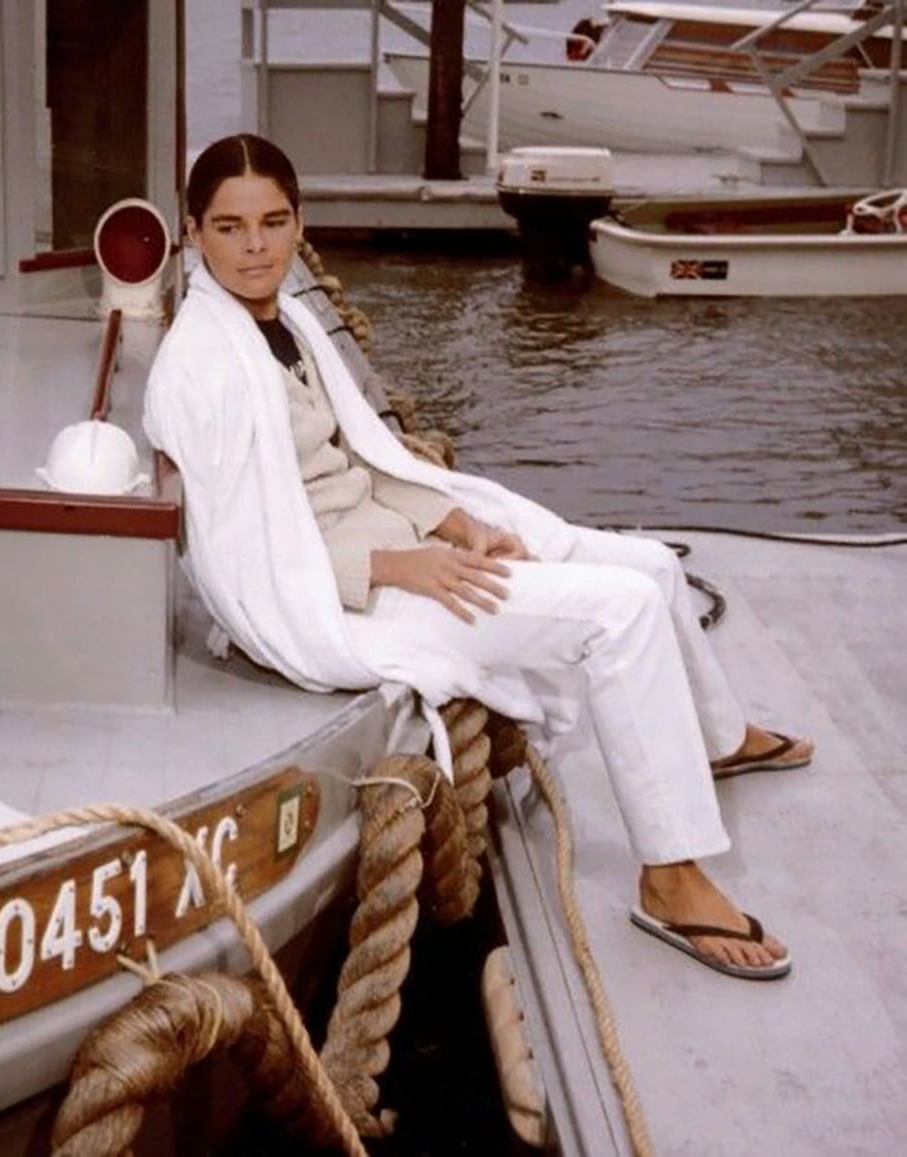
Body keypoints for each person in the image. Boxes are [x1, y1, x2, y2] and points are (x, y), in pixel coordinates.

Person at [144, 134, 814, 981]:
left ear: (298, 223)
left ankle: (715, 737)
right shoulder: (200, 365)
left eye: (274, 223)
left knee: (648, 564)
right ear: (194, 232)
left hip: (402, 546)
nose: (255, 247)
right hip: (344, 593)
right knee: (622, 612)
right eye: (231, 227)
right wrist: (395, 567)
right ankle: (670, 875)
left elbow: (364, 460)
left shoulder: (285, 323)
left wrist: (453, 522)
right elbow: (238, 550)